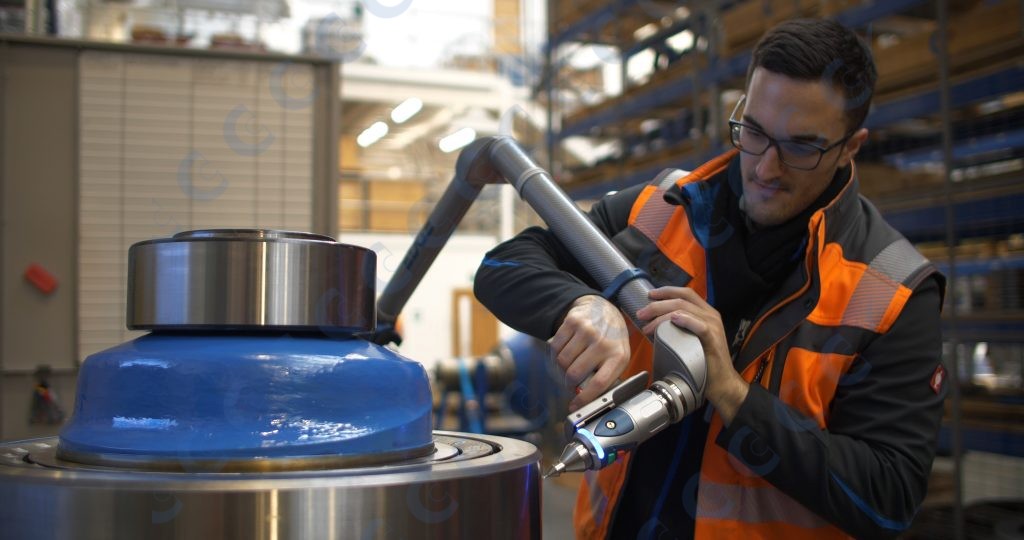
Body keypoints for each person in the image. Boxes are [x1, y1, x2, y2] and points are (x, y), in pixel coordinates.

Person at [474, 18, 947, 539]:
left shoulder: (893, 290)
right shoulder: (661, 209)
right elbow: (503, 266)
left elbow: (889, 500)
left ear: (850, 147)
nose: (766, 168)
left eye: (800, 147)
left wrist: (733, 396)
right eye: (756, 132)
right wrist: (583, 303)